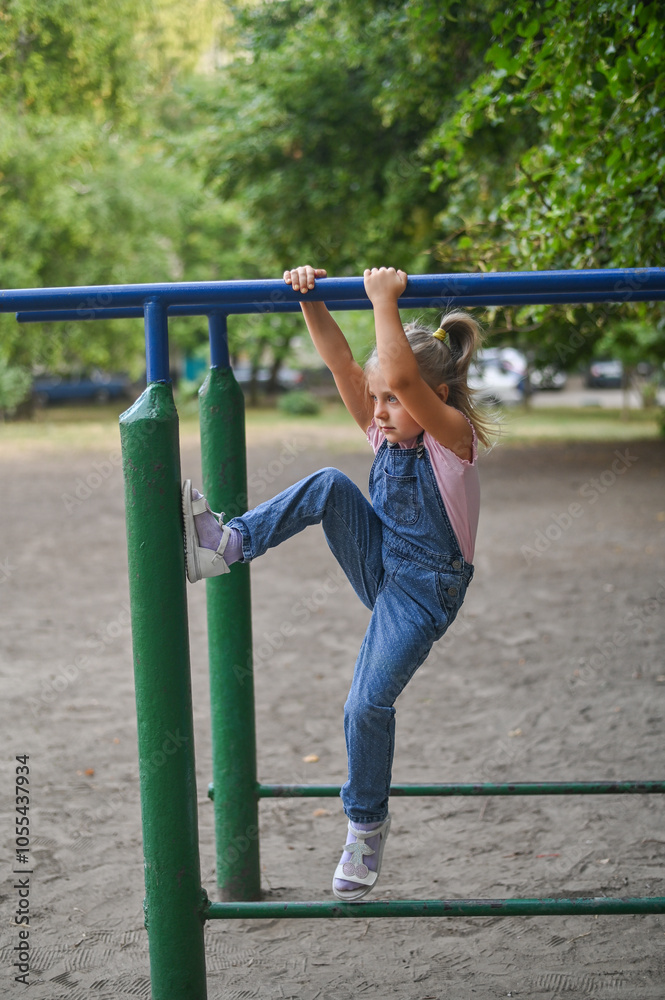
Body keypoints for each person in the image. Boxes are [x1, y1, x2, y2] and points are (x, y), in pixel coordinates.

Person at [182, 265, 494, 900]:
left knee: (364, 705)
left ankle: (365, 827)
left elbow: (401, 375)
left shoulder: (452, 442)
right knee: (328, 483)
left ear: (436, 396)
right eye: (376, 400)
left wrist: (383, 300)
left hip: (424, 593)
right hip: (381, 562)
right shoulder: (387, 432)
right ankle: (227, 545)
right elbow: (343, 365)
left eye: (392, 399)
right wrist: (311, 299)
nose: (378, 410)